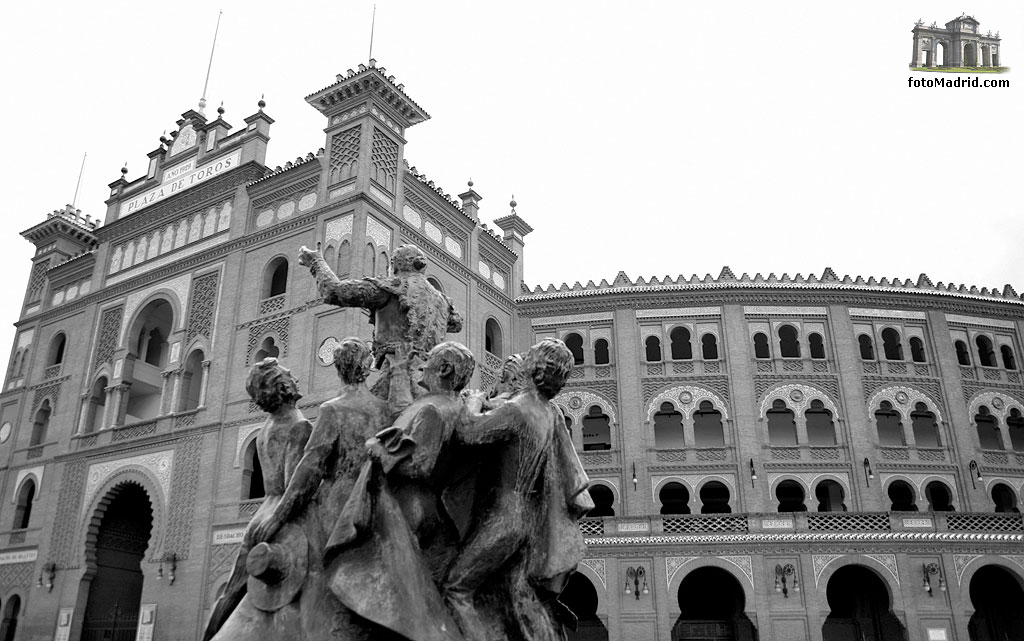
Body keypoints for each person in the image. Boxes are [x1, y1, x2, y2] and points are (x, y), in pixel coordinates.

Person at [324, 341, 477, 641]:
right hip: (434, 512)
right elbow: (404, 413)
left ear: (444, 369)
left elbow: (421, 465)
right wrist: (399, 374)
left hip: (406, 510)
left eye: (430, 359)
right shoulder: (451, 405)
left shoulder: (434, 408)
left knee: (375, 587)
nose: (425, 364)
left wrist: (379, 452)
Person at [444, 338, 594, 641]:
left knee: (456, 588)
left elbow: (469, 432)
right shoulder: (548, 413)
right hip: (531, 520)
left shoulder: (518, 409)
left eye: (529, 357)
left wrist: (472, 401)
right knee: (520, 597)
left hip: (505, 517)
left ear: (533, 367)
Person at [203, 358, 312, 641]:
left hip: (260, 513)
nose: (294, 377)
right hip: (282, 518)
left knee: (233, 589)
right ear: (283, 385)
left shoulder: (265, 428)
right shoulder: (299, 426)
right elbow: (293, 487)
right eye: (289, 375)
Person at [298, 243, 463, 407]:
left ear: (394, 265)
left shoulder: (392, 287)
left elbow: (334, 291)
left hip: (396, 378)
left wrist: (316, 262)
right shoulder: (442, 301)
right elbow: (456, 324)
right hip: (431, 382)